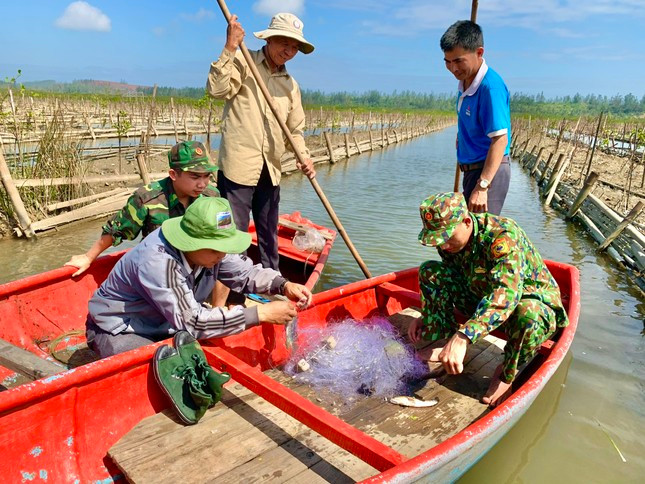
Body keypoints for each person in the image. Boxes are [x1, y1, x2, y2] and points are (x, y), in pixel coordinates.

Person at [86, 197, 312, 358]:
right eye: (216, 249)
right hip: (118, 328)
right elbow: (192, 322)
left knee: (191, 355)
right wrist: (260, 313)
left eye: (225, 247)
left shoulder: (210, 252)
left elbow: (245, 273)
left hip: (164, 322)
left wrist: (283, 285)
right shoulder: (158, 262)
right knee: (162, 364)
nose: (222, 255)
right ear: (190, 242)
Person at [408, 192, 568, 407]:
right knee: (430, 271)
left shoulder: (503, 236)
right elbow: (451, 275)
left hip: (529, 300)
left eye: (446, 238)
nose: (443, 246)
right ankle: (444, 339)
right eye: (438, 240)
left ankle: (507, 371)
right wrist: (428, 314)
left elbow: (506, 295)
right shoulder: (451, 241)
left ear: (466, 221)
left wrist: (464, 335)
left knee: (527, 313)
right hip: (480, 291)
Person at [206, 12, 316, 270]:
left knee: (268, 233)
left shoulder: (291, 86)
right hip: (237, 169)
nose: (288, 51)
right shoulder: (244, 62)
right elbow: (217, 90)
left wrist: (304, 157)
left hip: (271, 170)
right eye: (284, 44)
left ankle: (272, 283)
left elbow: (295, 130)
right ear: (269, 40)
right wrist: (230, 47)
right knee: (233, 233)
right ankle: (231, 290)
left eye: (294, 47)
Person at [65, 140, 219, 277]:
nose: (202, 184)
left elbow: (226, 231)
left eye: (207, 176)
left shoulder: (212, 196)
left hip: (201, 263)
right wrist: (88, 257)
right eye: (195, 177)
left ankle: (223, 305)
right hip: (161, 266)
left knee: (231, 259)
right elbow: (116, 230)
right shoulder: (147, 198)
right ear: (173, 174)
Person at [440, 20, 511, 215]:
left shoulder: (490, 87)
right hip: (472, 170)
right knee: (466, 233)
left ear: (479, 53)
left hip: (488, 172)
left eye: (458, 61)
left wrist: (483, 186)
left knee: (477, 235)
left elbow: (499, 139)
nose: (453, 68)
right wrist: (462, 137)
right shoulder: (465, 81)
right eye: (448, 61)